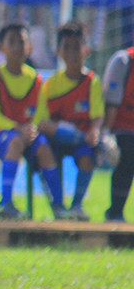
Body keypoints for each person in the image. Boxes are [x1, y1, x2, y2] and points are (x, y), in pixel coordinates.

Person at [0, 22, 65, 220]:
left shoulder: (36, 79)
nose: (17, 47)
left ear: (30, 47)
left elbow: (41, 113)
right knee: (15, 141)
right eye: (12, 42)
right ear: (1, 48)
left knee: (44, 148)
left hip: (28, 135)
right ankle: (6, 204)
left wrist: (33, 128)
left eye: (22, 42)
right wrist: (17, 128)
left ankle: (59, 207)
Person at [34, 21, 102, 222]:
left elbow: (97, 115)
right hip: (56, 140)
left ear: (87, 50)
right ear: (58, 52)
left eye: (76, 47)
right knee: (43, 149)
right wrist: (59, 130)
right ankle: (58, 206)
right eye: (67, 47)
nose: (72, 53)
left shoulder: (92, 82)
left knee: (88, 155)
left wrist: (95, 131)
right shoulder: (50, 85)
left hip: (84, 141)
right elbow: (41, 121)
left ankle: (76, 206)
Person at [100, 42, 134, 222]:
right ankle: (115, 213)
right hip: (121, 129)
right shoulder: (123, 61)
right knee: (129, 151)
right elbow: (111, 105)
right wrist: (105, 135)